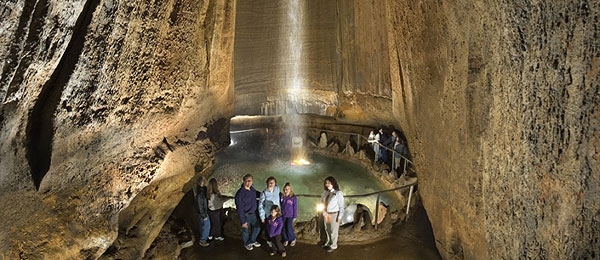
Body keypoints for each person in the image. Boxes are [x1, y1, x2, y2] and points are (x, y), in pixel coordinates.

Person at [235, 174, 262, 251]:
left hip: (253, 214)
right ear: (243, 181)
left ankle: (252, 240)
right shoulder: (240, 194)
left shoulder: (252, 189)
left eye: (250, 181)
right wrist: (243, 221)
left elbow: (257, 193)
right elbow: (239, 208)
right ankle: (246, 243)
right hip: (245, 215)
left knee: (257, 227)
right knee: (245, 230)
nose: (248, 182)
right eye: (246, 181)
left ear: (252, 181)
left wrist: (265, 194)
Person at [320, 176, 345, 253]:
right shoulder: (325, 192)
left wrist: (340, 216)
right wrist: (323, 212)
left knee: (333, 230)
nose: (327, 184)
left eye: (329, 183)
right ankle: (328, 242)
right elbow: (322, 202)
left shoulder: (338, 193)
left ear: (333, 183)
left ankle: (334, 245)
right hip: (326, 214)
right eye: (326, 183)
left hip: (334, 214)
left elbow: (341, 206)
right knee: (327, 229)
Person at [259, 176, 281, 247]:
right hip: (269, 214)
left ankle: (277, 241)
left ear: (275, 183)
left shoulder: (277, 189)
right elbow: (261, 205)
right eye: (270, 182)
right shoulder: (264, 193)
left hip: (277, 213)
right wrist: (262, 217)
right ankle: (269, 241)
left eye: (273, 182)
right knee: (268, 228)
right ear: (267, 183)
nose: (271, 184)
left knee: (277, 227)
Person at [193, 176, 210, 247]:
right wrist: (204, 215)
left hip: (201, 212)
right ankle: (203, 240)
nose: (205, 182)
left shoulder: (200, 190)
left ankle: (203, 236)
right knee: (207, 225)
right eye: (204, 181)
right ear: (202, 182)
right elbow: (200, 204)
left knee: (202, 225)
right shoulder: (200, 193)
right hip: (202, 212)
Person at [280, 182, 297, 246]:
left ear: (290, 190)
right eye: (285, 189)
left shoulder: (293, 198)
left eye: (287, 189)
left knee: (289, 227)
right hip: (283, 215)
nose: (286, 190)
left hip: (290, 215)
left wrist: (295, 216)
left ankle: (292, 238)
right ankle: (286, 239)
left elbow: (295, 207)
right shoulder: (282, 197)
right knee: (283, 227)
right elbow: (280, 205)